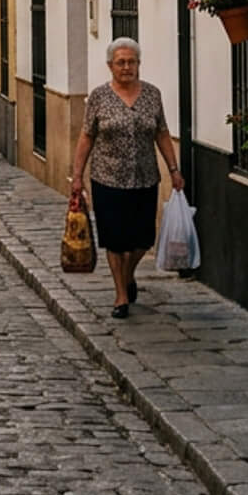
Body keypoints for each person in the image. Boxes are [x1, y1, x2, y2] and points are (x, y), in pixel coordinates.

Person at [69, 38, 183, 320]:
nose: (127, 67)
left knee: (144, 238)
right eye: (121, 62)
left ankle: (129, 275)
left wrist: (173, 169)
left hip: (145, 178)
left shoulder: (152, 95)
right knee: (115, 240)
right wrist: (77, 175)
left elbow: (162, 133)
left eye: (132, 61)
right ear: (110, 66)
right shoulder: (99, 97)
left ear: (139, 64)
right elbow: (87, 136)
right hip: (107, 179)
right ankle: (121, 294)